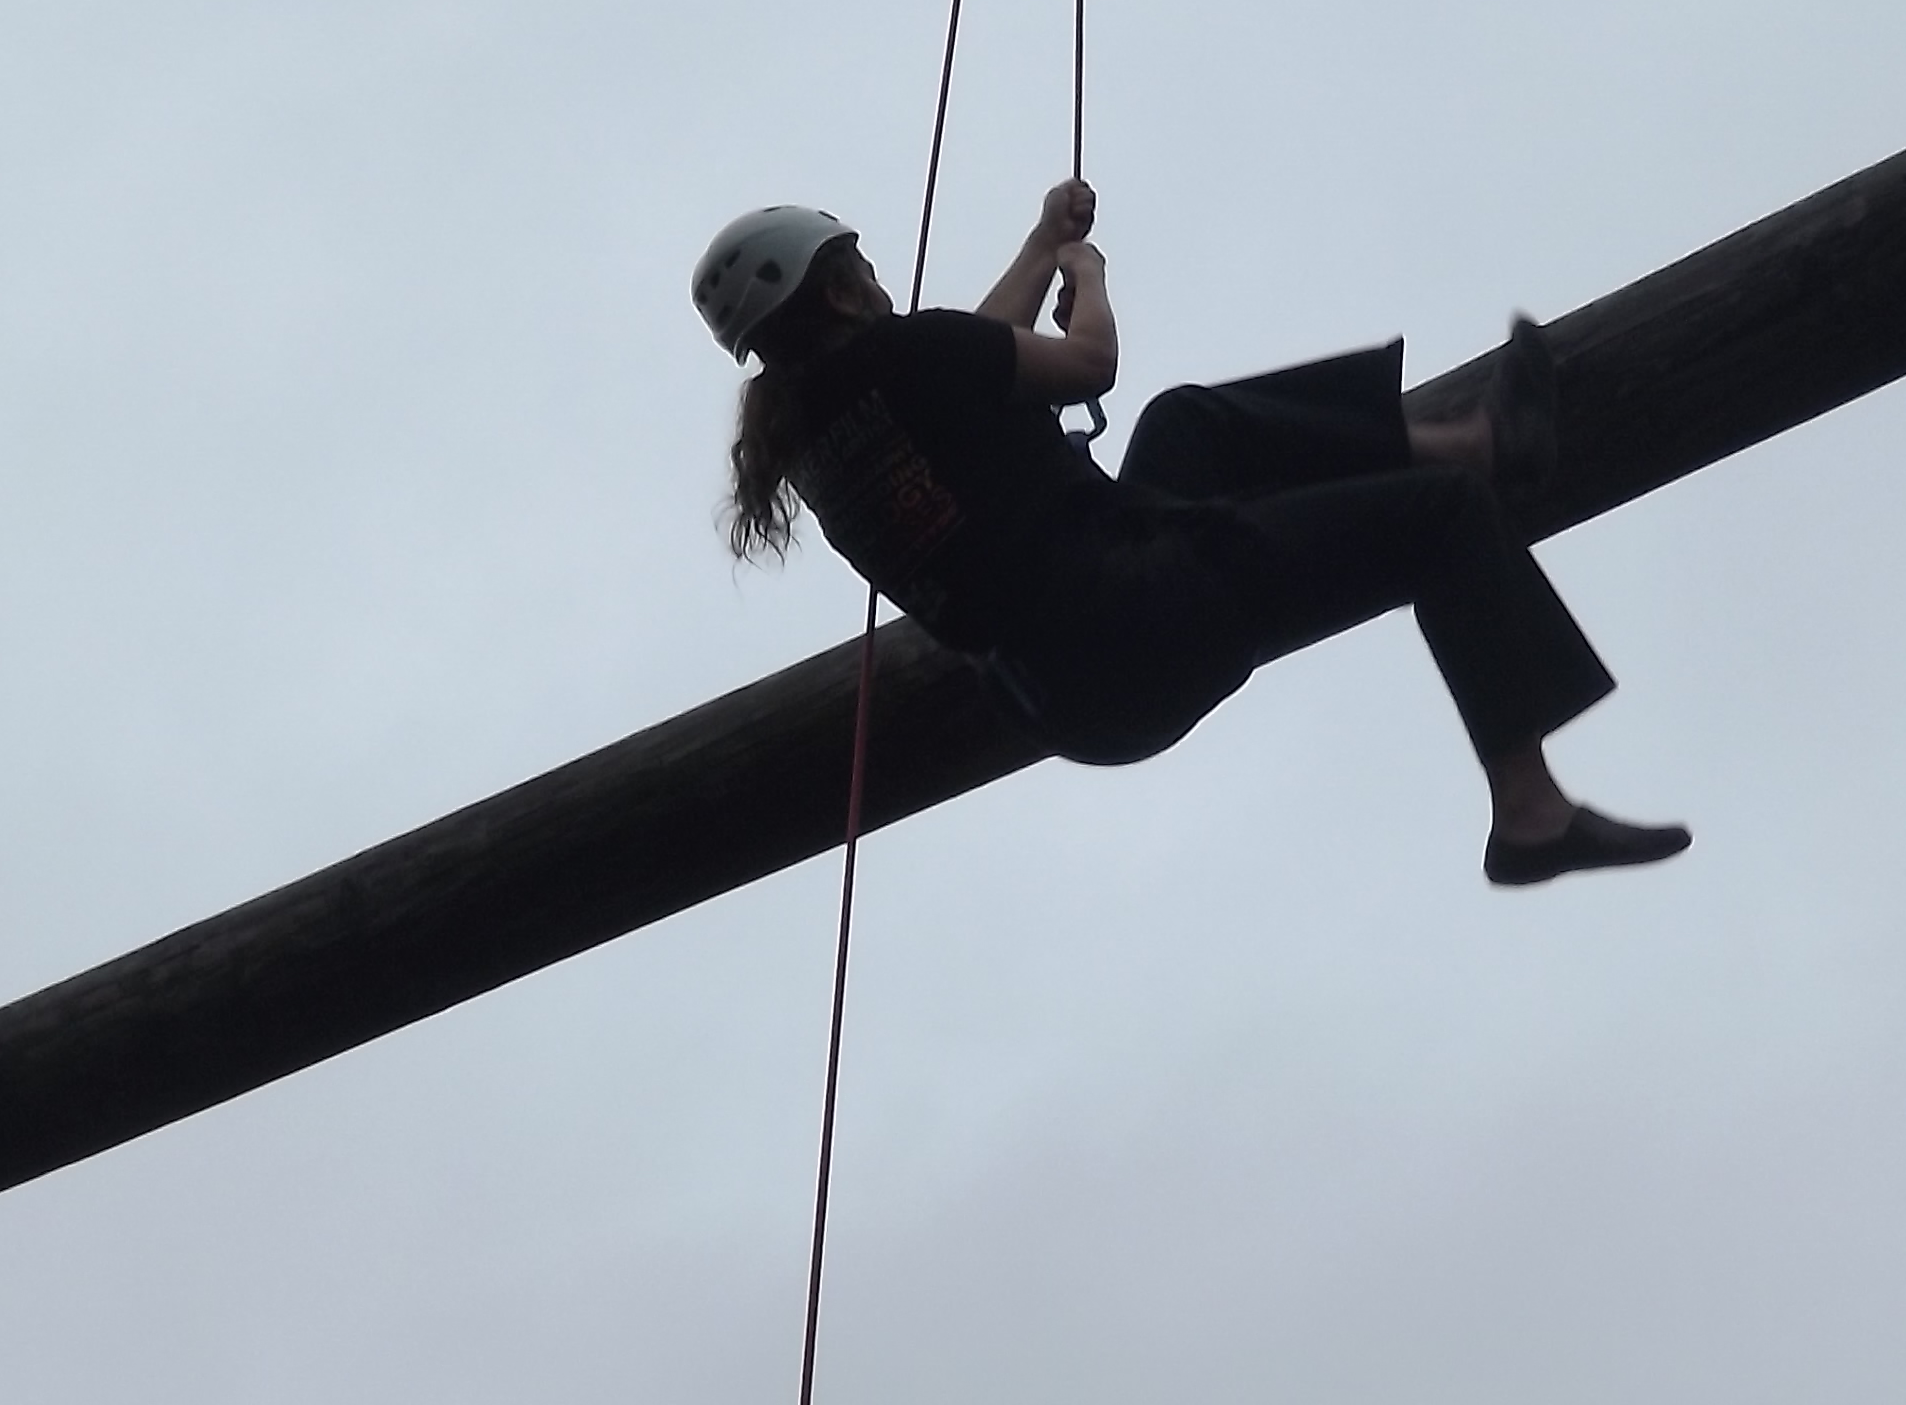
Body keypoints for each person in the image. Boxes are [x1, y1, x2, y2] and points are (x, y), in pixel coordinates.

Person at [695, 182, 1688, 887]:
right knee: (1443, 518)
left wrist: (1042, 243)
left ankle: (1474, 441)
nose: (878, 279)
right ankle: (1529, 811)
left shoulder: (819, 447)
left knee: (1186, 426)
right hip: (1138, 608)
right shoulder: (909, 357)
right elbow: (1085, 365)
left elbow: (972, 360)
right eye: (860, 268)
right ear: (836, 292)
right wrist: (1086, 277)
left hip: (1064, 692)